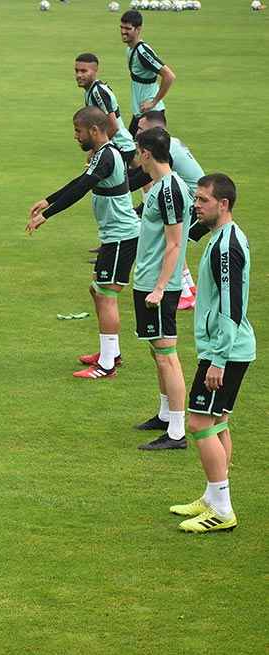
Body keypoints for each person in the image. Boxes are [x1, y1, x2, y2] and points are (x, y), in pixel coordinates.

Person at [26, 107, 140, 379]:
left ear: (94, 130)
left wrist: (47, 215)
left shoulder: (107, 157)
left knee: (106, 295)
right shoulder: (102, 154)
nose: (75, 136)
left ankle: (107, 365)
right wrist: (49, 199)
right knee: (96, 290)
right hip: (114, 236)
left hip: (121, 237)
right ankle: (110, 352)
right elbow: (79, 181)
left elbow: (81, 189)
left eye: (78, 131)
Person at [171, 174, 255, 533]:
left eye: (203, 200)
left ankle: (222, 508)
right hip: (231, 345)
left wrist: (218, 358)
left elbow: (232, 305)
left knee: (199, 422)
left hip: (227, 349)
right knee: (217, 419)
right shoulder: (223, 238)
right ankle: (213, 496)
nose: (196, 205)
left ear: (223, 204)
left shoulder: (226, 246)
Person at [130, 127, 191, 450]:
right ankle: (166, 414)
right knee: (157, 351)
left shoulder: (169, 190)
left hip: (158, 285)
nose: (137, 157)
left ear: (147, 153)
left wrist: (160, 288)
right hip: (149, 280)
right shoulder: (159, 187)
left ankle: (177, 432)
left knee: (167, 355)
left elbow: (174, 242)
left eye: (138, 151)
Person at [129, 110, 206, 313]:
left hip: (194, 207)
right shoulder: (170, 143)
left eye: (141, 129)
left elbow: (140, 178)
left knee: (171, 243)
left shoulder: (164, 156)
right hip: (194, 201)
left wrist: (115, 186)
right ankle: (189, 290)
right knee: (174, 243)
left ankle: (183, 293)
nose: (138, 132)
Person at [120, 10, 176, 137]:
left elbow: (169, 76)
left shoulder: (142, 52)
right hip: (141, 113)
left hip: (151, 115)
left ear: (138, 29)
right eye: (122, 27)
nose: (123, 31)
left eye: (128, 28)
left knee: (145, 154)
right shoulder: (130, 49)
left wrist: (153, 102)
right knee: (131, 151)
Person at [74, 53, 136, 166]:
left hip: (120, 147)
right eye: (77, 71)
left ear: (95, 71)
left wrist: (95, 151)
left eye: (84, 71)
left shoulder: (98, 92)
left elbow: (113, 126)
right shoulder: (90, 91)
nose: (79, 75)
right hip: (123, 146)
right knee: (142, 177)